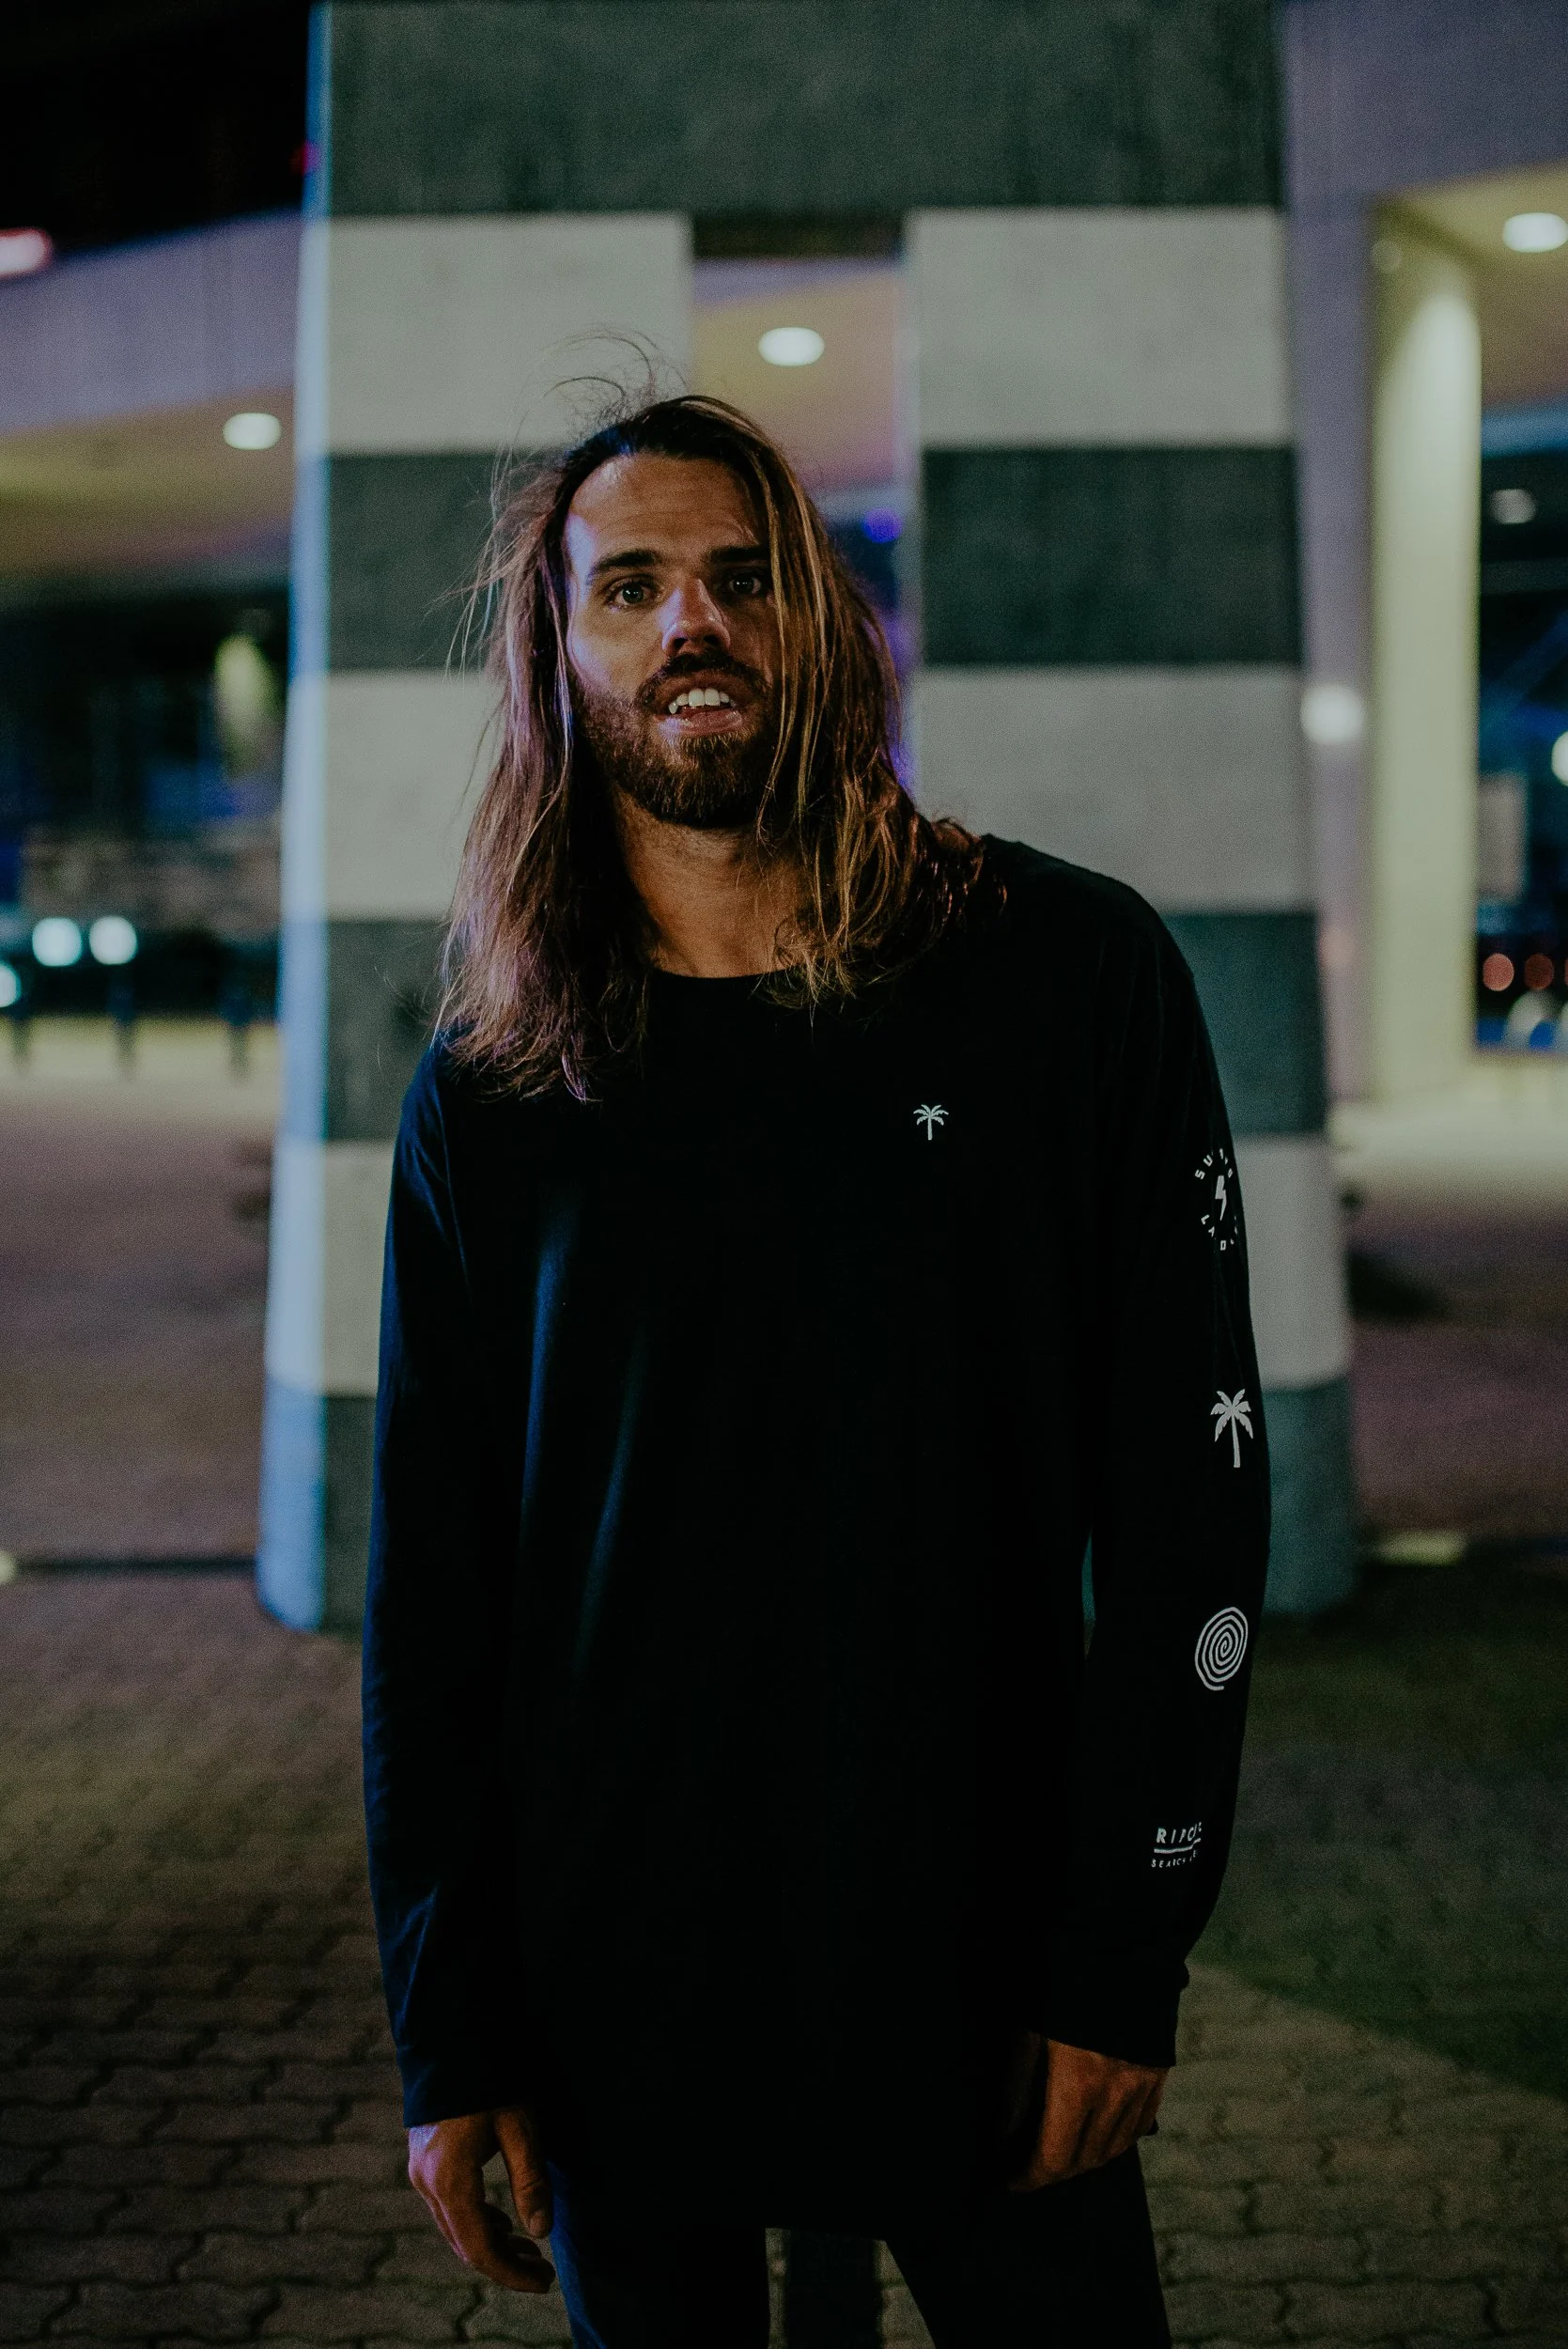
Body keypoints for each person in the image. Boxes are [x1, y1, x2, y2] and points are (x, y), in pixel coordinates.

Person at [362, 395, 1270, 2348]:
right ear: (555, 656)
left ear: (829, 627)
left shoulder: (1068, 977)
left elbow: (1192, 1516)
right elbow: (433, 1592)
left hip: (980, 1953)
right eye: (630, 586)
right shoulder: (496, 1085)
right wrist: (451, 2021)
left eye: (744, 575)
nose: (693, 620)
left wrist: (1123, 1954)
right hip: (614, 1972)